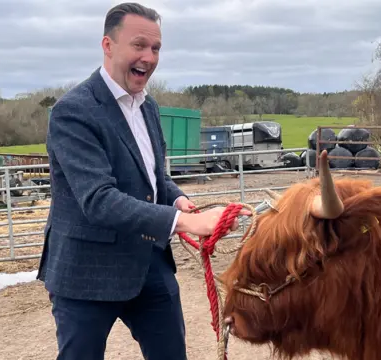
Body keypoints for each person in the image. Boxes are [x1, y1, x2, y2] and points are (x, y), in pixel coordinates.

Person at [36, 3, 249, 359]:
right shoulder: (73, 112)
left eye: (156, 49)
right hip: (86, 272)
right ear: (108, 45)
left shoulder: (148, 107)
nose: (149, 57)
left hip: (148, 263)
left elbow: (153, 176)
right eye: (139, 45)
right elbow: (98, 199)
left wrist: (176, 197)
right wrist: (184, 221)